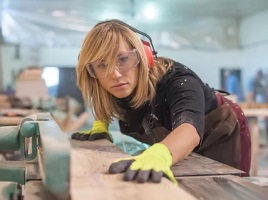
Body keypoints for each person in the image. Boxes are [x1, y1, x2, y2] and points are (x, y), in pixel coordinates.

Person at [72, 19, 251, 184]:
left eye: (123, 59)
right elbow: (107, 101)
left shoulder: (178, 81)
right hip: (179, 139)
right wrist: (100, 127)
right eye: (102, 65)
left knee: (226, 188)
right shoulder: (116, 85)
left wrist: (160, 154)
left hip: (222, 130)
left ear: (143, 57)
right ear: (92, 72)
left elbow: (188, 128)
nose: (115, 74)